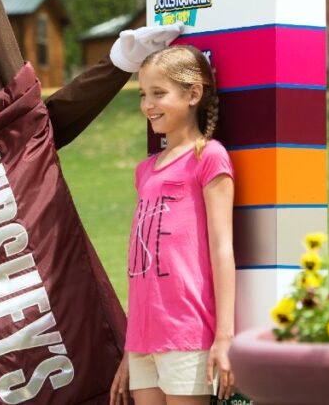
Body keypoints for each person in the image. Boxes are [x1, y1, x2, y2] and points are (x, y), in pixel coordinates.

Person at [110, 45, 237, 405]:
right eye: (143, 94)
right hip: (142, 340)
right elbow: (142, 267)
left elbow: (222, 249)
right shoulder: (145, 170)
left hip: (187, 333)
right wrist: (130, 348)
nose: (147, 105)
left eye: (158, 93)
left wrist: (224, 337)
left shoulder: (208, 157)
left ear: (193, 94)